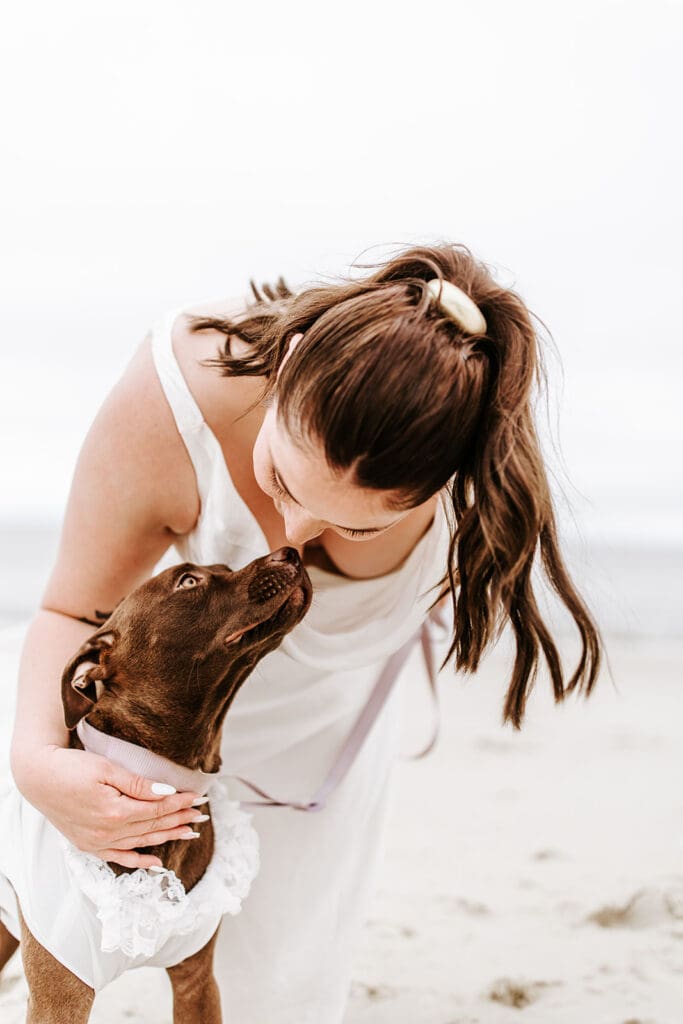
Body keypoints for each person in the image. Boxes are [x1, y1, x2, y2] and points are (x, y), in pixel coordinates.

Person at [7, 241, 601, 1021]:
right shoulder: (176, 395)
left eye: (353, 528)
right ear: (287, 362)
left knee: (278, 997)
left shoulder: (475, 478)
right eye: (280, 479)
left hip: (321, 765)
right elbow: (76, 613)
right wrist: (36, 765)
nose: (289, 535)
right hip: (143, 726)